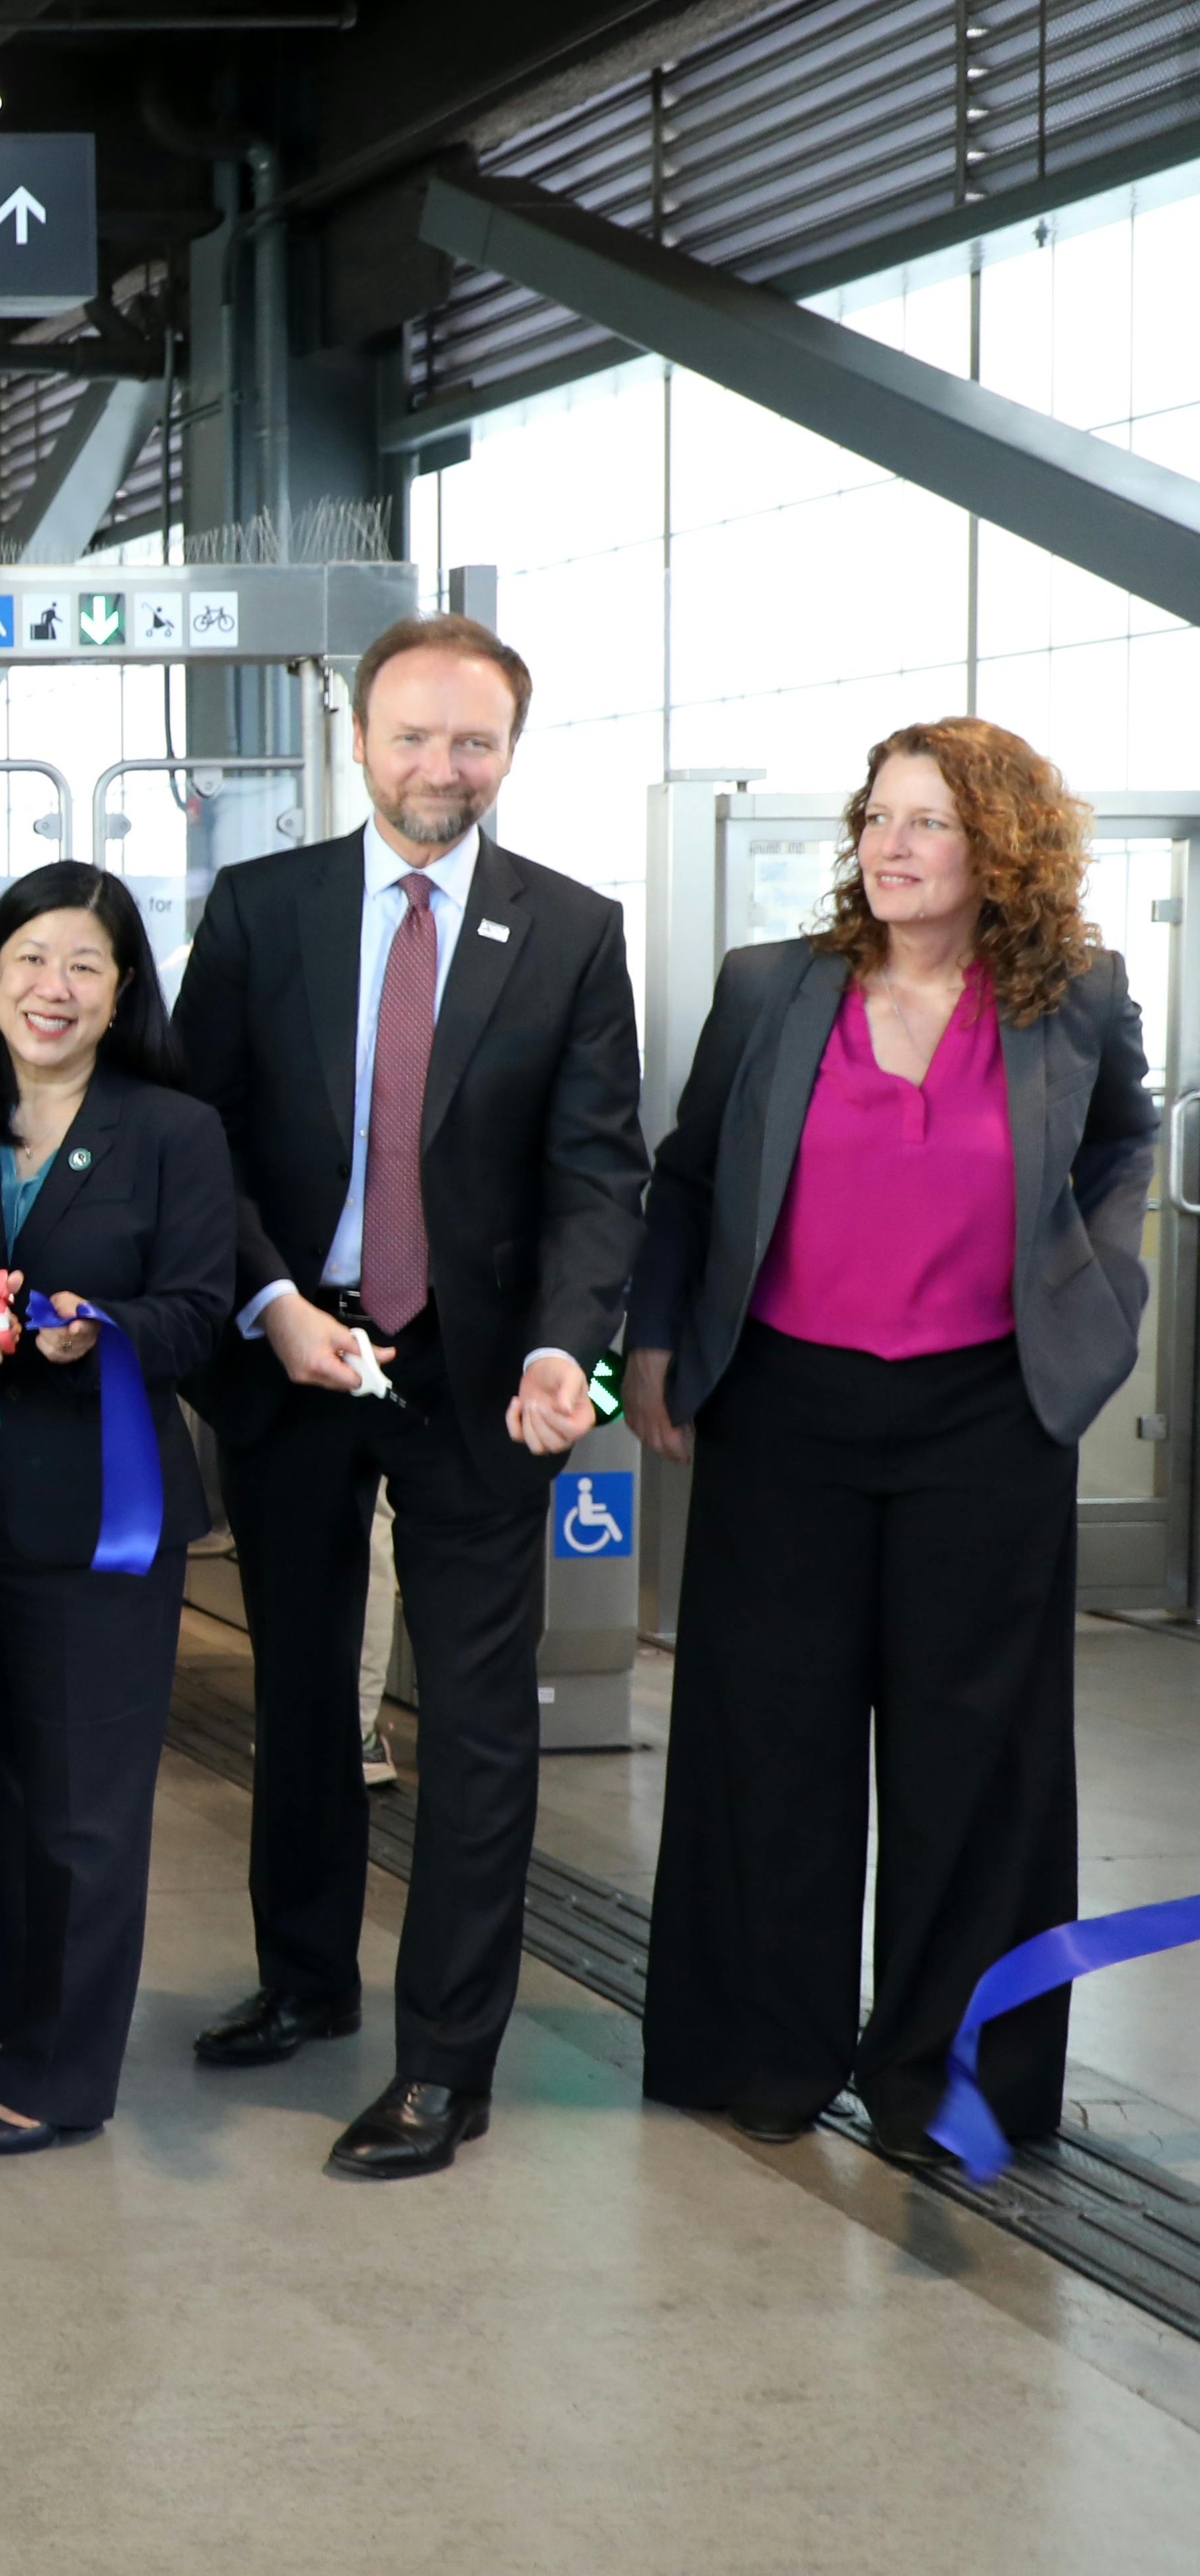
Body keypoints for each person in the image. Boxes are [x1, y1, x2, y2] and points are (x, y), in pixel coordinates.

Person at [626, 719, 1151, 2165]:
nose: (892, 845)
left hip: (988, 1414)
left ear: (1004, 849)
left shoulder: (1078, 996)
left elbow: (1122, 1149)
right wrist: (656, 1339)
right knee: (768, 1737)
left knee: (972, 1759)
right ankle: (767, 2047)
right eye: (881, 816)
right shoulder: (772, 988)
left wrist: (1097, 1310)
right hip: (786, 1407)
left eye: (930, 822)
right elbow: (687, 1174)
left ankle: (950, 2081)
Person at [172, 613, 646, 2180]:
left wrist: (563, 1346)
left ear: (510, 749)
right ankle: (306, 1978)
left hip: (479, 1374)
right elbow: (201, 1141)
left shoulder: (571, 930)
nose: (441, 765)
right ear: (356, 739)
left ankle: (448, 2059)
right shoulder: (261, 908)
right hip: (299, 1348)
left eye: (473, 739)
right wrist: (269, 1302)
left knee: (478, 1719)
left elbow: (595, 1173)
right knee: (302, 1689)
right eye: (413, 734)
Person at [0, 866, 233, 2155]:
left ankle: (61, 2070)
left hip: (98, 1514)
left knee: (82, 1800)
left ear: (123, 990)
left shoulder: (172, 1130)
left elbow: (200, 1311)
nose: (54, 988)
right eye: (33, 958)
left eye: (85, 964)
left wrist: (109, 1331)